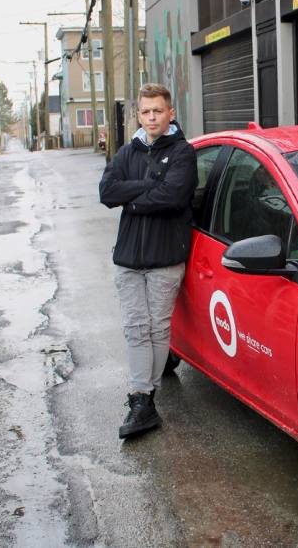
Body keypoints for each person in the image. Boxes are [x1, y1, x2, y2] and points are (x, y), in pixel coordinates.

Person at [99, 83, 197, 439]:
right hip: (128, 258)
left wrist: (133, 196)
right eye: (145, 112)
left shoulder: (183, 153)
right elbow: (106, 192)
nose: (152, 117)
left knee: (157, 330)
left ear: (170, 113)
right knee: (135, 328)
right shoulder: (128, 151)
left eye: (158, 110)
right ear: (138, 115)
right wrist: (147, 188)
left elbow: (172, 197)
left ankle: (144, 398)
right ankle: (142, 398)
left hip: (164, 258)